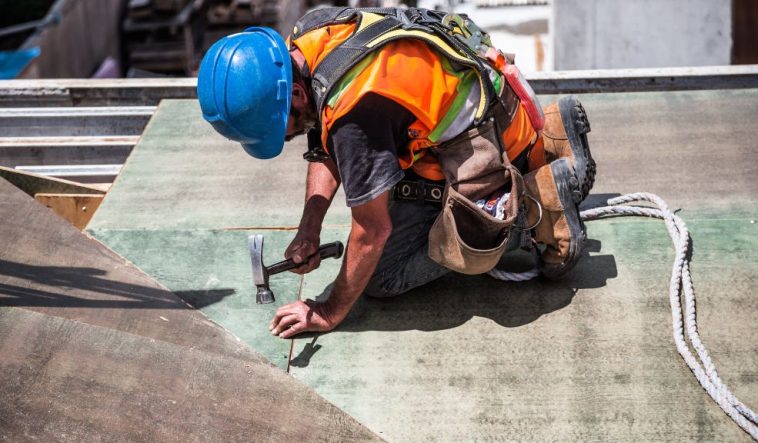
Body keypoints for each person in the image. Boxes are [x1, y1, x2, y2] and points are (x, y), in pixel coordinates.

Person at [197, 7, 595, 339]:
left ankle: (534, 206)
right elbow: (323, 139)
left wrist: (329, 310)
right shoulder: (311, 36)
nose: (283, 140)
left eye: (278, 130)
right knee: (377, 189)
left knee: (382, 277)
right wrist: (309, 228)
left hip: (487, 149)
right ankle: (552, 137)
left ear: (296, 94)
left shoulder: (356, 114)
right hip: (494, 108)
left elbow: (372, 231)